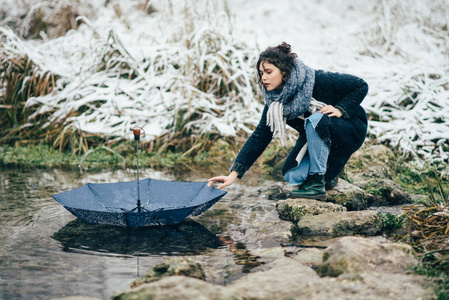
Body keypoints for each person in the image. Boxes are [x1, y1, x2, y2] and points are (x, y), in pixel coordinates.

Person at [207, 42, 368, 200]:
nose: (264, 78)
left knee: (316, 119)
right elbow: (259, 137)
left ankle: (317, 185)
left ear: (284, 71)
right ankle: (328, 176)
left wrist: (341, 109)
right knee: (292, 175)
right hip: (316, 136)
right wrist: (233, 175)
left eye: (268, 72)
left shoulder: (316, 79)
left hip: (349, 129)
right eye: (261, 73)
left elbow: (360, 85)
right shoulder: (275, 104)